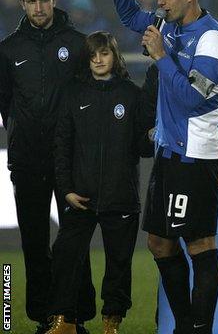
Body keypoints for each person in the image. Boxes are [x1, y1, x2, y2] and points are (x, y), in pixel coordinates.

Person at [109, 0, 218, 333]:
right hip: (170, 152)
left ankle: (199, 329)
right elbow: (130, 17)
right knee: (159, 243)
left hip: (196, 155)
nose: (160, 1)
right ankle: (186, 325)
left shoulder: (212, 40)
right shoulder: (166, 24)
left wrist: (161, 57)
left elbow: (193, 101)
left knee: (199, 245)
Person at [0, 0, 95, 334]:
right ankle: (44, 318)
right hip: (27, 161)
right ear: (22, 4)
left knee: (74, 241)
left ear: (54, 0)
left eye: (44, 0)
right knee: (34, 243)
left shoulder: (78, 44)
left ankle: (75, 317)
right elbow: (5, 103)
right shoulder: (8, 50)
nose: (38, 8)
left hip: (70, 161)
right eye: (31, 1)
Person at [47, 31, 145, 334]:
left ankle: (111, 323)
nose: (98, 60)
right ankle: (66, 320)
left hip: (121, 197)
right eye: (92, 55)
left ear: (114, 55)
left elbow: (143, 146)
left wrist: (158, 135)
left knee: (119, 264)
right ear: (86, 59)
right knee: (65, 256)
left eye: (104, 53)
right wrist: (66, 190)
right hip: (81, 197)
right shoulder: (73, 94)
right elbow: (61, 146)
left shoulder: (132, 94)